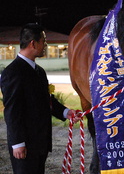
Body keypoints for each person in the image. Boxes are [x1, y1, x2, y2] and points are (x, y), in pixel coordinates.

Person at [0, 23, 80, 174]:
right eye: (44, 41)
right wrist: (18, 143)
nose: (46, 45)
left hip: (40, 143)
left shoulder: (39, 71)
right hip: (25, 144)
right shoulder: (13, 72)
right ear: (33, 43)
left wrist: (66, 113)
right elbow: (12, 110)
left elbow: (45, 100)